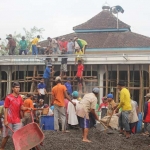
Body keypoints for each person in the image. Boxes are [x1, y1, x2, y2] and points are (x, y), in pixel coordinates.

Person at [0, 82, 31, 150]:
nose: (18, 89)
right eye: (16, 87)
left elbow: (22, 108)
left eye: (19, 87)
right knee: (7, 136)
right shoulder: (8, 97)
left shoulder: (20, 98)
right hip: (9, 119)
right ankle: (2, 148)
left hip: (17, 120)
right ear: (13, 88)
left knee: (18, 136)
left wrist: (28, 108)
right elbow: (6, 109)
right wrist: (5, 120)